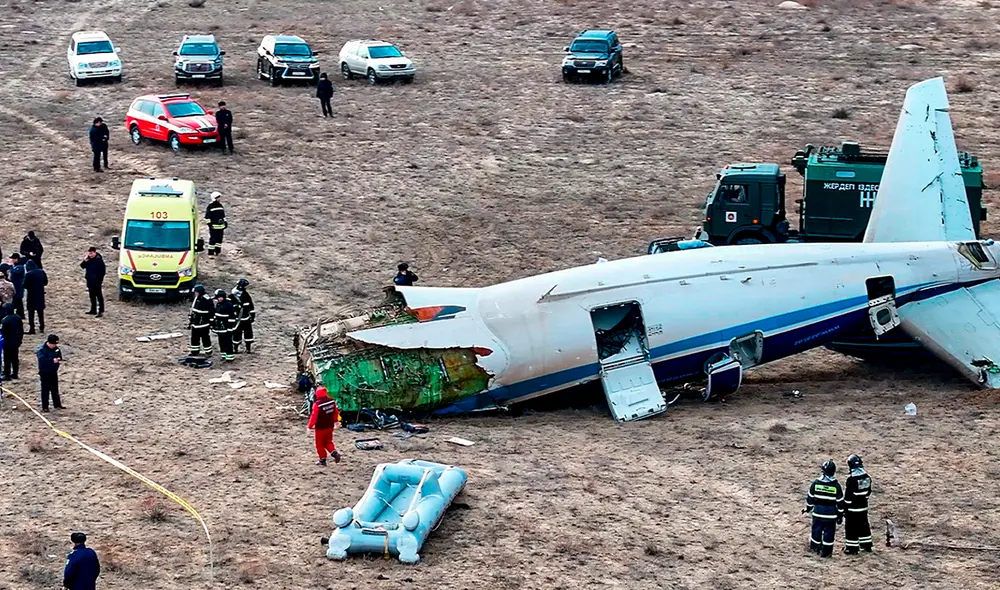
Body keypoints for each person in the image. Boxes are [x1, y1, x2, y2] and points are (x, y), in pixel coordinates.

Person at [804, 459, 845, 558]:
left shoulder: (816, 483)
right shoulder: (836, 486)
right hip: (831, 515)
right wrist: (840, 515)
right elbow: (840, 502)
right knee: (829, 534)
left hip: (818, 513)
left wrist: (808, 509)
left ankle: (814, 548)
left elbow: (810, 499)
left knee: (816, 531)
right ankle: (826, 553)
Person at [843, 454, 874, 554]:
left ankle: (852, 548)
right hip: (863, 507)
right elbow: (868, 492)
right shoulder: (867, 477)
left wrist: (845, 508)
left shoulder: (852, 480)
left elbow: (848, 497)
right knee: (864, 525)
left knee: (851, 528)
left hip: (852, 509)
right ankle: (867, 545)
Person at [307, 386, 341, 465]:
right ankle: (334, 453)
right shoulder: (331, 401)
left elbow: (314, 416)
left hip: (320, 427)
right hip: (330, 426)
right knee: (328, 441)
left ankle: (322, 459)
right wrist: (336, 421)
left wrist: (310, 426)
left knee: (319, 444)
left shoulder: (317, 404)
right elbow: (335, 412)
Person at [37, 333, 63, 412]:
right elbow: (42, 360)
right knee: (45, 389)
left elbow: (59, 355)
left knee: (55, 388)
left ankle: (57, 404)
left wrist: (59, 359)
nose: (54, 345)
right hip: (45, 372)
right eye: (53, 344)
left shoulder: (56, 349)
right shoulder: (42, 350)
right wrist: (52, 360)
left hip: (53, 371)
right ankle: (45, 406)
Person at [188, 284, 214, 356]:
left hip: (203, 323)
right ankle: (194, 352)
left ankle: (208, 352)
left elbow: (211, 312)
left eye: (196, 292)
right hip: (195, 323)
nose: (195, 293)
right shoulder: (197, 298)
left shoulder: (206, 299)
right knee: (194, 338)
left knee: (205, 338)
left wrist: (211, 322)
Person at [80, 247, 106, 317]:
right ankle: (93, 309)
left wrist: (99, 281)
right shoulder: (88, 259)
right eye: (89, 253)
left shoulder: (99, 261)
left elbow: (102, 272)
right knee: (92, 296)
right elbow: (82, 266)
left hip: (97, 282)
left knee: (99, 296)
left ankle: (101, 311)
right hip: (90, 280)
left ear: (95, 252)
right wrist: (84, 261)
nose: (90, 255)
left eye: (91, 253)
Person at [211, 289, 236, 362]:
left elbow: (232, 317)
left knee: (228, 342)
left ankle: (230, 356)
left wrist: (229, 327)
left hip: (226, 328)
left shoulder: (228, 305)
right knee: (221, 341)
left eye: (221, 297)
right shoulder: (218, 304)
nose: (219, 299)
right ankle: (223, 354)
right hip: (220, 328)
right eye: (218, 297)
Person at [23, 259, 47, 334]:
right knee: (40, 313)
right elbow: (45, 282)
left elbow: (24, 285)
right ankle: (42, 327)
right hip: (40, 295)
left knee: (31, 313)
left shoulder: (29, 274)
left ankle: (32, 329)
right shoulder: (41, 272)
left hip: (31, 296)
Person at [231, 278, 255, 353]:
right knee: (236, 334)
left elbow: (251, 306)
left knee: (248, 334)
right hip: (237, 319)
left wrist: (252, 315)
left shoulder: (246, 295)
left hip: (246, 319)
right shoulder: (232, 296)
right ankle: (235, 348)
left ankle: (248, 348)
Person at [1, 303, 23, 380]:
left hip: (8, 342)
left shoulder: (5, 320)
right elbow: (21, 330)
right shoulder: (18, 318)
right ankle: (15, 374)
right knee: (15, 358)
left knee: (7, 358)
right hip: (16, 341)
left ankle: (7, 374)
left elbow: (3, 332)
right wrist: (20, 340)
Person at [205, 192, 227, 256]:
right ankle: (211, 253)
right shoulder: (210, 206)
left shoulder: (220, 205)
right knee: (213, 240)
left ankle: (217, 251)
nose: (220, 199)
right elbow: (207, 217)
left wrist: (225, 222)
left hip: (221, 227)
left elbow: (223, 215)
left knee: (219, 239)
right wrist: (210, 225)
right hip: (214, 227)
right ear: (215, 198)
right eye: (218, 197)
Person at [8, 253, 25, 319]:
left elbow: (15, 272)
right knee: (16, 301)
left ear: (16, 259)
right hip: (16, 286)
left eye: (13, 259)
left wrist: (11, 267)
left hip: (18, 287)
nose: (12, 260)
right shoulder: (16, 266)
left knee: (19, 301)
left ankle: (21, 314)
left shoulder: (20, 267)